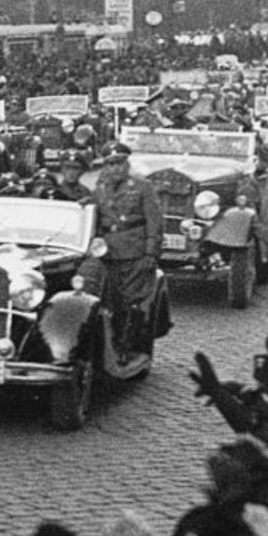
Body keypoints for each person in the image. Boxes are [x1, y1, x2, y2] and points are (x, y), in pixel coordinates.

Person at [87, 143, 164, 368]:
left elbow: (154, 220)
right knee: (108, 301)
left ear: (127, 164)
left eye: (119, 163)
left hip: (134, 252)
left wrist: (151, 252)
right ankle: (110, 347)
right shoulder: (100, 187)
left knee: (131, 302)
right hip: (106, 253)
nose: (115, 168)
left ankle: (126, 347)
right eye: (110, 164)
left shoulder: (142, 186)